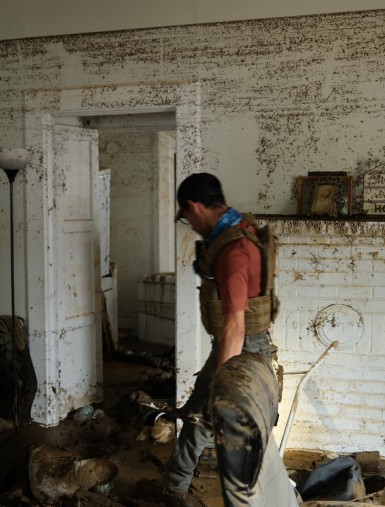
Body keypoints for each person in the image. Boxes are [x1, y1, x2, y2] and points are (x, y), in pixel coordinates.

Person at [158, 172, 297, 506]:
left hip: (241, 347)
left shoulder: (232, 251)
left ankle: (189, 490)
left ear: (194, 206)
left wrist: (223, 380)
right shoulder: (245, 228)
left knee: (223, 420)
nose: (189, 224)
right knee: (202, 415)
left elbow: (234, 324)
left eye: (186, 216)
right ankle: (176, 486)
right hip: (252, 341)